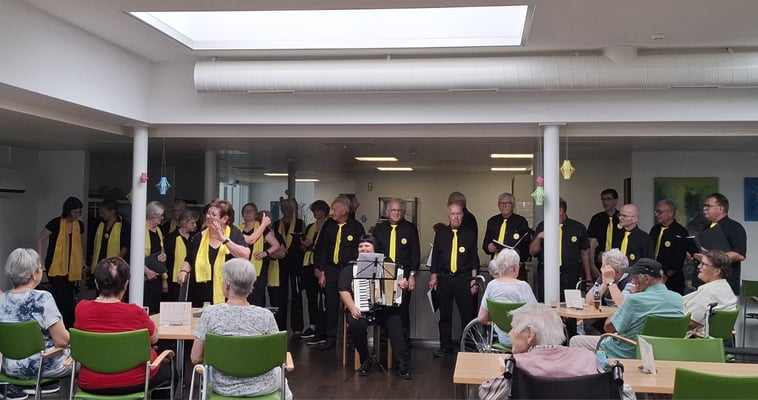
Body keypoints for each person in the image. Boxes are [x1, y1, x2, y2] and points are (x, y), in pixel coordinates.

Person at [191, 258, 293, 400]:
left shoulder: (210, 314)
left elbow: (195, 357)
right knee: (283, 381)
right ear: (251, 286)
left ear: (227, 285)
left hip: (222, 387)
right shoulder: (265, 316)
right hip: (262, 387)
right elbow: (278, 356)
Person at [73, 257, 171, 395]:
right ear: (126, 284)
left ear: (96, 283)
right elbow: (154, 338)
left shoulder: (81, 309)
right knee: (168, 368)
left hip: (91, 381)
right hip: (134, 380)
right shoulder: (136, 312)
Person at [478, 303, 599, 400]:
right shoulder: (588, 357)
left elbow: (487, 394)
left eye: (513, 328)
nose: (509, 334)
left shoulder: (518, 365)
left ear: (530, 334)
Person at [570, 258, 684, 359]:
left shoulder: (635, 299)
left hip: (626, 351)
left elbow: (608, 328)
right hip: (662, 353)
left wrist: (626, 298)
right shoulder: (678, 299)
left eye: (634, 277)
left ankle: (594, 374)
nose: (633, 281)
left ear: (646, 279)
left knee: (576, 340)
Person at [0, 248, 71, 398]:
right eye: (40, 268)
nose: (42, 270)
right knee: (83, 358)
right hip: (41, 367)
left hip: (10, 368)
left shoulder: (2, 299)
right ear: (34, 274)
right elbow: (62, 341)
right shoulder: (42, 298)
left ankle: (37, 385)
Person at [339, 235, 411, 379]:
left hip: (383, 309)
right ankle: (365, 359)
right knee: (355, 324)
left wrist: (403, 284)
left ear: (375, 249)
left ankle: (402, 364)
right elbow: (343, 289)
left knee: (396, 322)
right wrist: (352, 308)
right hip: (360, 309)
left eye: (367, 246)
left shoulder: (387, 264)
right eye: (361, 246)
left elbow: (400, 284)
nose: (363, 249)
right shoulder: (350, 267)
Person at [313, 196, 365, 350]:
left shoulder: (356, 227)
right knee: (331, 305)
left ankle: (352, 339)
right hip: (331, 270)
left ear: (344, 211)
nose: (332, 212)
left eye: (334, 209)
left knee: (351, 305)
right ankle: (331, 338)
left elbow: (362, 251)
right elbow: (322, 249)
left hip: (349, 271)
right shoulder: (329, 225)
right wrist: (322, 271)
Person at [178, 199, 250, 307]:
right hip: (200, 292)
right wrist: (183, 271)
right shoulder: (199, 237)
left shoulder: (234, 234)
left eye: (213, 215)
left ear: (224, 219)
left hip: (228, 292)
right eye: (208, 213)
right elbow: (189, 259)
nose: (209, 217)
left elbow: (245, 255)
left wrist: (224, 240)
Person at [430, 202, 478, 357]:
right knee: (445, 315)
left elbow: (473, 258)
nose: (456, 217)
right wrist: (433, 276)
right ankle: (445, 347)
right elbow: (436, 256)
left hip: (464, 278)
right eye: (453, 214)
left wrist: (474, 280)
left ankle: (468, 347)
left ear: (462, 215)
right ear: (448, 216)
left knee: (467, 314)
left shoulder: (470, 234)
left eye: (459, 214)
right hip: (444, 278)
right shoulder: (441, 233)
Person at [372, 198, 420, 353]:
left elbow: (415, 254)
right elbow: (374, 252)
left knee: (402, 311)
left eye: (399, 210)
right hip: (383, 275)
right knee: (383, 310)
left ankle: (404, 345)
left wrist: (412, 275)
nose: (396, 213)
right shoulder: (379, 229)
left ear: (403, 212)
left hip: (403, 276)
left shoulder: (410, 229)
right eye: (393, 210)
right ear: (387, 212)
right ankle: (383, 346)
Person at [529, 198, 593, 303]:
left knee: (572, 305)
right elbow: (532, 252)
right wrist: (539, 237)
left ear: (560, 210)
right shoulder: (543, 225)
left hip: (571, 274)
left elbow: (584, 254)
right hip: (547, 274)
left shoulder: (578, 227)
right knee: (547, 304)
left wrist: (588, 277)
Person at [36, 196, 86, 328]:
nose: (77, 215)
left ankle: (68, 325)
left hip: (72, 266)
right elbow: (40, 239)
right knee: (62, 296)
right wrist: (40, 262)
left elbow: (78, 245)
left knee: (69, 296)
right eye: (74, 212)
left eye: (79, 212)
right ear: (68, 211)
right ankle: (62, 326)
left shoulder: (79, 225)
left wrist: (82, 262)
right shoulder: (55, 223)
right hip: (55, 265)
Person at [478, 248, 537, 348]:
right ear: (515, 267)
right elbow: (536, 315)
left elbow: (482, 318)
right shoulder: (523, 286)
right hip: (524, 341)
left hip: (502, 340)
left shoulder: (491, 285)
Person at [698, 193, 747, 294]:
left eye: (708, 206)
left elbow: (740, 255)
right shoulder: (705, 227)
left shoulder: (734, 227)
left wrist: (712, 257)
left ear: (720, 208)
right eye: (704, 206)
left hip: (726, 283)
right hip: (704, 282)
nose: (704, 209)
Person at [684, 250, 738, 335]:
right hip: (716, 339)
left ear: (717, 271)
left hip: (696, 339)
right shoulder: (725, 287)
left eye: (703, 264)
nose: (699, 266)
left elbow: (691, 323)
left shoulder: (709, 292)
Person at [272, 198, 305, 336]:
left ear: (293, 210)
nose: (286, 210)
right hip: (280, 264)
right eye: (284, 208)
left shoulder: (300, 223)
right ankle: (280, 326)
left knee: (296, 295)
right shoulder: (276, 224)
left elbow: (304, 243)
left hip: (296, 263)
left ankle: (297, 327)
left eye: (289, 208)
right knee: (281, 296)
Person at [237, 203, 279, 307]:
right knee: (241, 299)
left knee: (257, 299)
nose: (247, 213)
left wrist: (265, 253)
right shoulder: (238, 229)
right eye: (245, 211)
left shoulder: (262, 228)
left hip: (258, 270)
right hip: (241, 269)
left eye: (250, 211)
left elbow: (276, 245)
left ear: (256, 214)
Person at [482, 193, 531, 281]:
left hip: (515, 268)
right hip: (496, 268)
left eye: (507, 203)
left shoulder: (521, 221)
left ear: (513, 205)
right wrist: (489, 247)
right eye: (501, 203)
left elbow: (526, 246)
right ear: (498, 205)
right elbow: (485, 244)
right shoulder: (492, 221)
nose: (504, 206)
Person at [300, 200, 330, 342]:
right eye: (314, 210)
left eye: (319, 210)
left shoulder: (329, 226)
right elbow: (304, 248)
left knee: (323, 298)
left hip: (322, 265)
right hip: (308, 263)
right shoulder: (311, 227)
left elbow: (324, 247)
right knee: (311, 296)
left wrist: (311, 245)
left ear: (324, 211)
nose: (316, 213)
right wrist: (304, 245)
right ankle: (313, 325)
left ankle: (324, 328)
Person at [649, 200, 689, 294]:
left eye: (660, 212)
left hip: (672, 279)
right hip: (653, 275)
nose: (657, 215)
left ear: (670, 213)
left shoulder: (680, 232)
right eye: (656, 212)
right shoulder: (655, 229)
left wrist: (667, 274)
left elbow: (679, 257)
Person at [164, 210, 199, 301]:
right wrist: (164, 279)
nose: (195, 225)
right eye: (192, 223)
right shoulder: (171, 238)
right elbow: (167, 260)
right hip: (173, 279)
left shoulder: (195, 237)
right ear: (184, 223)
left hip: (192, 279)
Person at [588, 188, 622, 271]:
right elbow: (592, 244)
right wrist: (592, 265)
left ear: (616, 200)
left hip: (619, 261)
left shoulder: (622, 218)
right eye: (603, 199)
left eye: (608, 199)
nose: (605, 202)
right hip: (601, 259)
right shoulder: (597, 219)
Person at [143, 201, 168, 313]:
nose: (162, 218)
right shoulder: (140, 229)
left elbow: (161, 250)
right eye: (160, 216)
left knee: (156, 309)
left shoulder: (158, 230)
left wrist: (164, 256)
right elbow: (134, 256)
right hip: (143, 276)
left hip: (157, 276)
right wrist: (147, 271)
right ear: (152, 215)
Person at [90, 199, 130, 268]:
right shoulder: (99, 223)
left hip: (115, 265)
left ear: (112, 212)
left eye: (103, 213)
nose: (101, 215)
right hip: (99, 264)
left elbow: (125, 247)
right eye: (100, 213)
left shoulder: (124, 225)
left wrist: (116, 262)